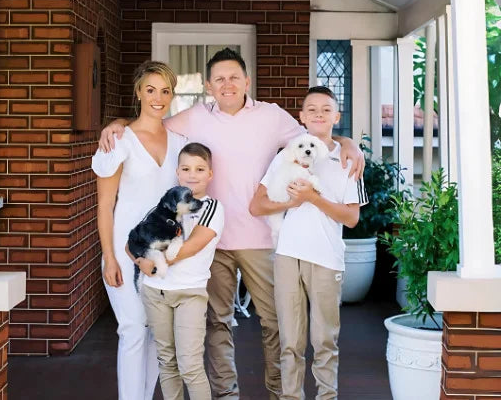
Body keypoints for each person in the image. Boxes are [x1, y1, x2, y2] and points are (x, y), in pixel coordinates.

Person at [99, 49, 365, 399]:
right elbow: (149, 123)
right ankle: (226, 394)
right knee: (216, 325)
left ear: (247, 81)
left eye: (234, 77)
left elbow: (314, 133)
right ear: (208, 85)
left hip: (260, 241)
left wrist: (349, 143)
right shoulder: (193, 118)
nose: (227, 84)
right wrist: (116, 124)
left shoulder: (271, 116)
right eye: (219, 79)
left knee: (274, 325)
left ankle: (276, 392)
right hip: (209, 242)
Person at [250, 86, 367, 400]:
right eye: (311, 109)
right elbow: (257, 206)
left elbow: (352, 218)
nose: (318, 114)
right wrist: (291, 202)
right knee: (290, 342)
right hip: (288, 256)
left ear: (337, 116)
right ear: (301, 116)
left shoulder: (348, 161)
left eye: (326, 109)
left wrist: (313, 198)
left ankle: (327, 396)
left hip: (327, 259)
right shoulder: (286, 155)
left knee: (325, 341)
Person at [92, 61, 187, 400]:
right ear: (138, 93)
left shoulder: (180, 142)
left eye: (165, 91)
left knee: (155, 333)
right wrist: (108, 258)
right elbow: (105, 205)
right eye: (150, 90)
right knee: (133, 328)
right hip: (124, 249)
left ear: (172, 95)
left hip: (162, 253)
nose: (158, 98)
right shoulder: (119, 141)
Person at [131, 143, 224, 400]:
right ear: (178, 173)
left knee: (190, 365)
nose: (192, 174)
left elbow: (191, 247)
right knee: (167, 362)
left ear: (209, 174)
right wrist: (142, 261)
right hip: (155, 292)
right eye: (186, 168)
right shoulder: (164, 205)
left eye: (199, 169)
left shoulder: (212, 208)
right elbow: (134, 241)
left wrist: (154, 260)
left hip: (189, 293)